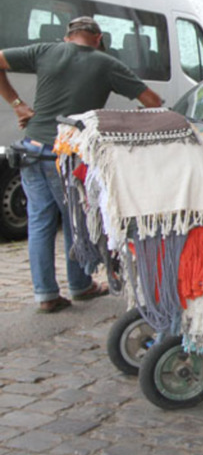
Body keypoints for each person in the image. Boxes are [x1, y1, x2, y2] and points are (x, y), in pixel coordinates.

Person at [0, 17, 163, 313]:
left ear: (68, 37)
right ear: (97, 38)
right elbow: (154, 101)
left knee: (39, 222)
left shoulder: (44, 51)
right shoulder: (107, 64)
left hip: (31, 149)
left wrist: (17, 104)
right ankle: (80, 285)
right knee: (76, 222)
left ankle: (46, 294)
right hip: (67, 155)